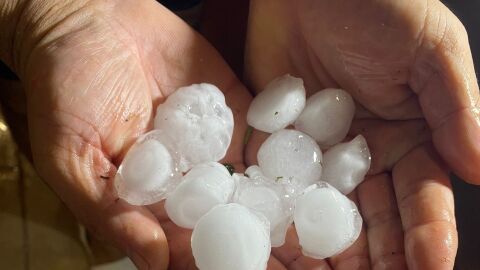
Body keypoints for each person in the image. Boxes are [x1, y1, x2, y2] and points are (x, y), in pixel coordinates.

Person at [0, 0, 478, 269]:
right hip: (106, 78)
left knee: (119, 220)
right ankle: (90, 238)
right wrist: (46, 9)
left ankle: (99, 245)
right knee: (94, 184)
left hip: (247, 27)